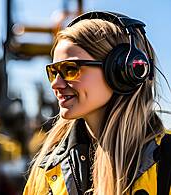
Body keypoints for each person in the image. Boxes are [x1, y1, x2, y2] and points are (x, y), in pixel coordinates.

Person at [23, 11, 171, 195]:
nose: (55, 84)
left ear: (121, 72)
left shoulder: (166, 161)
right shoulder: (45, 171)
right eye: (53, 72)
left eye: (70, 69)